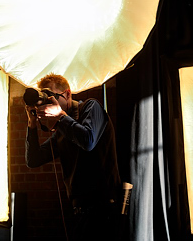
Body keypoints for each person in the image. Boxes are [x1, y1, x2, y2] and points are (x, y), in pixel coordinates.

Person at [25, 73, 122, 240]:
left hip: (105, 209)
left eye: (51, 96)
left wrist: (60, 116)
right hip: (80, 211)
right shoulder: (62, 129)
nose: (48, 102)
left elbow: (88, 140)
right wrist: (31, 123)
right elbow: (33, 160)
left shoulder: (91, 107)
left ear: (68, 94)